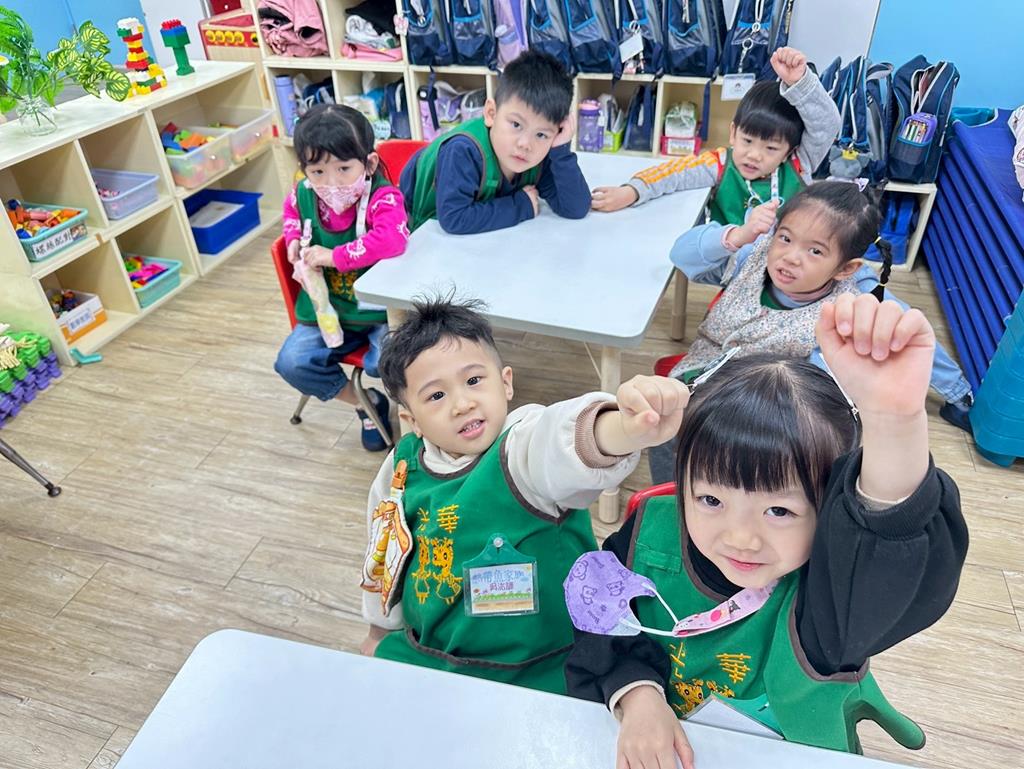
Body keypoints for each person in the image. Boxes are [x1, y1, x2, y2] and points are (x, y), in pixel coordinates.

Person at [565, 294, 968, 769]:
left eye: (779, 510)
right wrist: (638, 695)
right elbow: (602, 622)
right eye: (710, 500)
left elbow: (887, 543)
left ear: (831, 506)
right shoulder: (651, 534)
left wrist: (894, 421)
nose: (741, 538)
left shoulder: (832, 592)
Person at [358, 295, 689, 694]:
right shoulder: (401, 468)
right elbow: (384, 553)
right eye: (436, 396)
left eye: (474, 380)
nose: (463, 403)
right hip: (430, 653)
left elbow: (561, 442)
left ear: (506, 382)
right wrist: (380, 627)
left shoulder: (518, 448)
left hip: (542, 664)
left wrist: (624, 429)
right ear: (411, 419)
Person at [646, 181, 974, 486]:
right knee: (661, 423)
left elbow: (910, 338)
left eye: (815, 251)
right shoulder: (756, 254)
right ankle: (673, 496)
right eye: (785, 238)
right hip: (704, 369)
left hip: (763, 403)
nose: (790, 257)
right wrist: (737, 235)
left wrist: (959, 394)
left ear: (846, 268)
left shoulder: (849, 305)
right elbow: (681, 256)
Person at [273, 104, 409, 451]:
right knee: (291, 363)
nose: (331, 183)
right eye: (318, 171)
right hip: (328, 313)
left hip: (378, 315)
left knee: (385, 365)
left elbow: (392, 240)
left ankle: (401, 406)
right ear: (304, 169)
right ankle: (366, 404)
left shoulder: (383, 198)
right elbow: (290, 212)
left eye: (344, 169)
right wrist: (292, 238)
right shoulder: (304, 193)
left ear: (370, 163)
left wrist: (333, 256)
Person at [590, 47, 837, 224]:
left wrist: (800, 83)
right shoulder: (720, 163)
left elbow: (828, 124)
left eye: (771, 148)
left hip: (784, 270)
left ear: (788, 152)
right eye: (747, 141)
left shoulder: (798, 163)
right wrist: (632, 191)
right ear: (733, 133)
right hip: (730, 265)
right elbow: (672, 173)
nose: (754, 155)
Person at [400, 50, 590, 233]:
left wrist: (561, 151)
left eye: (541, 135)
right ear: (491, 113)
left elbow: (576, 208)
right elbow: (453, 218)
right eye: (516, 124)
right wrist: (520, 206)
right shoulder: (462, 151)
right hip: (416, 227)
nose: (525, 144)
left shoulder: (539, 157)